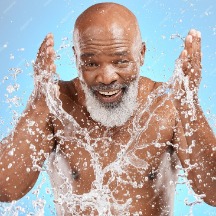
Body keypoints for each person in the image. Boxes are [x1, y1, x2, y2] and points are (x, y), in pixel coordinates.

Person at [0, 2, 215, 215]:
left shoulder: (168, 104)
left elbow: (213, 193)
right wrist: (36, 108)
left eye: (121, 62)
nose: (106, 77)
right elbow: (6, 189)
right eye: (92, 64)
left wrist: (190, 105)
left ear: (141, 54)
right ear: (76, 58)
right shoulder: (57, 104)